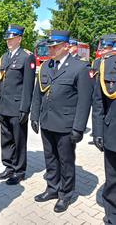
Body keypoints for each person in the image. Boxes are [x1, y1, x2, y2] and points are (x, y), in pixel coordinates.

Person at [30, 30, 93, 212]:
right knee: (50, 158)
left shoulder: (80, 68)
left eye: (54, 46)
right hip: (47, 121)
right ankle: (52, 188)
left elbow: (84, 101)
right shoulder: (46, 65)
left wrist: (78, 128)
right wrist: (35, 116)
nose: (51, 49)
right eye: (49, 46)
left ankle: (65, 194)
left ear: (66, 46)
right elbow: (38, 93)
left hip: (66, 125)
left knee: (65, 161)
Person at [0, 24, 36, 185]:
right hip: (4, 106)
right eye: (7, 39)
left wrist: (25, 108)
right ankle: (9, 167)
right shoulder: (4, 57)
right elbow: (1, 81)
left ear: (19, 38)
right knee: (6, 139)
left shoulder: (27, 57)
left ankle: (19, 171)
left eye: (12, 39)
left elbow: (28, 85)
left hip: (18, 107)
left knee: (19, 140)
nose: (9, 41)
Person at [92, 40, 116, 225]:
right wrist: (98, 131)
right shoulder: (106, 65)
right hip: (113, 132)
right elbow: (99, 102)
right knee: (113, 180)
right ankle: (112, 217)